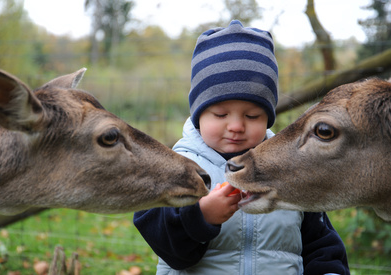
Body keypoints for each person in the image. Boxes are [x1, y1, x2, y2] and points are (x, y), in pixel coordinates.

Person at [134, 20, 349, 275]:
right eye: (221, 113)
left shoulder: (290, 169)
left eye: (252, 116)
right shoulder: (175, 168)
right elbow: (171, 252)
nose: (236, 126)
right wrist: (200, 217)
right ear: (198, 114)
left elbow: (321, 244)